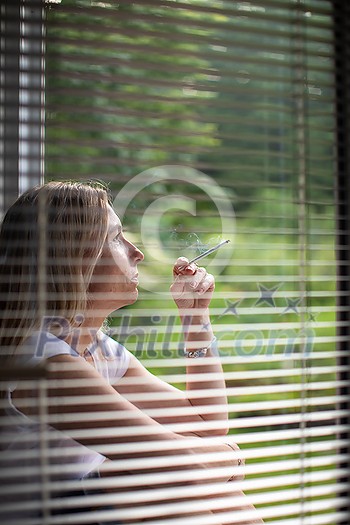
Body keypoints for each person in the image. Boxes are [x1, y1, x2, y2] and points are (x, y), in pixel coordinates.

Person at [0, 181, 264, 524]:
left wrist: (194, 316)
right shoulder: (43, 361)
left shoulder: (99, 350)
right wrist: (228, 458)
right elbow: (178, 469)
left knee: (215, 492)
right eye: (115, 237)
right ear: (73, 260)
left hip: (76, 505)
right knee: (149, 483)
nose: (135, 251)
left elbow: (206, 423)